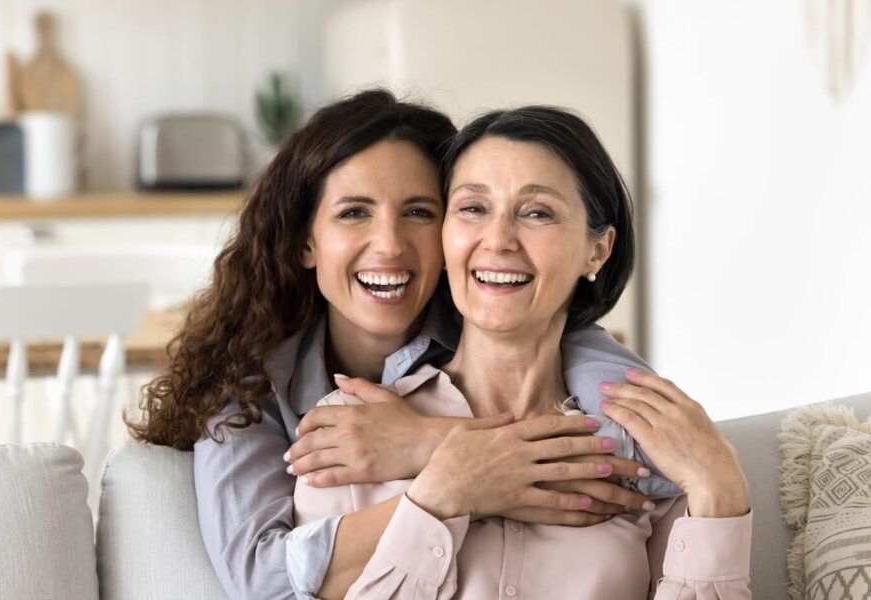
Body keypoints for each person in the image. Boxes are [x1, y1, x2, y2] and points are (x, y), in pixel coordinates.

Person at [127, 90, 674, 600]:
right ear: (304, 241)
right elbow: (262, 576)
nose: (388, 245)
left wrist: (425, 442)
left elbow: (656, 462)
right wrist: (463, 479)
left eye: (419, 212)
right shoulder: (249, 388)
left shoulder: (504, 321)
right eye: (353, 212)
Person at [293, 105, 752, 598]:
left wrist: (719, 492)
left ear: (597, 251)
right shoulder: (347, 432)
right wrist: (440, 496)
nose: (498, 239)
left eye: (537, 213)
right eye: (473, 208)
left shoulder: (648, 447)